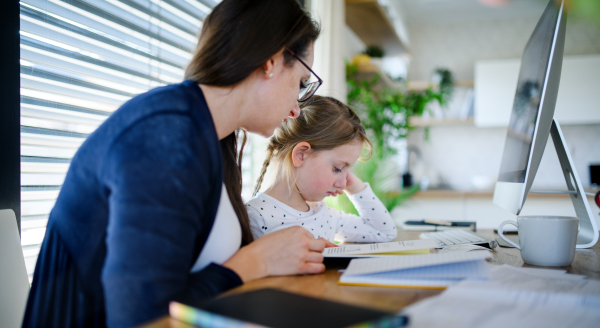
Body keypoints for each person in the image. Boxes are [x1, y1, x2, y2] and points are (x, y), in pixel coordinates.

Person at [22, 1, 327, 327]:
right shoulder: (165, 135)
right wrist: (253, 262)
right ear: (271, 61)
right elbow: (142, 317)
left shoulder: (212, 137)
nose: (297, 108)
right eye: (300, 84)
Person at [247, 96, 397, 243]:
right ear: (301, 155)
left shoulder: (324, 214)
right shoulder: (256, 217)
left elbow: (384, 232)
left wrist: (355, 186)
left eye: (347, 172)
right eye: (338, 169)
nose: (343, 184)